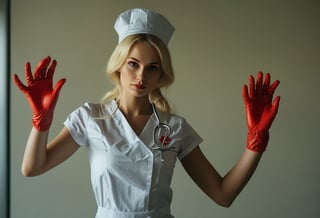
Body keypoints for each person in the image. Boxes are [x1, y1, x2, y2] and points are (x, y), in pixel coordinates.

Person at [13, 8, 281, 218]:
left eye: (152, 67)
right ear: (119, 66)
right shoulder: (90, 118)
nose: (141, 76)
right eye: (133, 64)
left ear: (161, 74)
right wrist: (41, 122)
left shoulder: (175, 128)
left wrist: (255, 142)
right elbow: (32, 168)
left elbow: (223, 195)